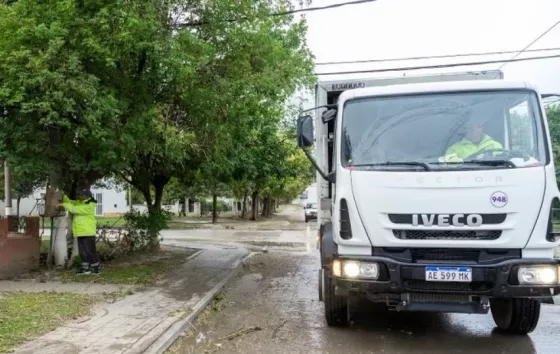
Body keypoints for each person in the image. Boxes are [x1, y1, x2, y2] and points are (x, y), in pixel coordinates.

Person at [58, 189, 101, 275]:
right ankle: (86, 269)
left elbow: (74, 209)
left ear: (87, 196)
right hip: (80, 232)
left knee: (90, 251)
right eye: (79, 195)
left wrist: (63, 204)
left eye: (81, 195)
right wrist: (64, 196)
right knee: (82, 252)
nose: (79, 197)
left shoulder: (90, 204)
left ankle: (96, 268)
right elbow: (70, 202)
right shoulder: (80, 202)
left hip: (88, 232)